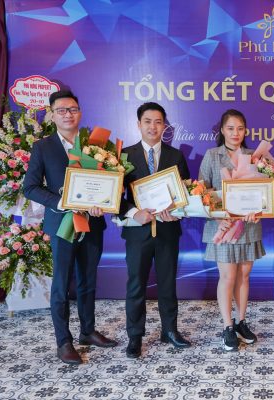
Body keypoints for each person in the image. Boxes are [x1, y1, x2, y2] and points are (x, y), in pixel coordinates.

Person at [23, 89, 117, 365]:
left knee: (88, 280)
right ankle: (63, 341)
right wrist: (61, 202)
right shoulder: (43, 147)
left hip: (92, 222)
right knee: (62, 284)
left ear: (80, 112)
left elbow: (108, 181)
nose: (68, 114)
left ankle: (87, 331)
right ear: (52, 115)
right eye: (61, 110)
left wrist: (104, 202)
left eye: (73, 109)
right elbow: (30, 187)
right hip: (62, 223)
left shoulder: (95, 144)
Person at [119, 102, 192, 358]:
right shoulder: (124, 156)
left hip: (167, 231)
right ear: (138, 124)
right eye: (148, 121)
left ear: (165, 126)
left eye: (158, 122)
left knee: (167, 283)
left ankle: (169, 330)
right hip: (137, 232)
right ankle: (134, 336)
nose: (153, 127)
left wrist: (177, 210)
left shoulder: (175, 156)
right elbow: (115, 198)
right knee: (135, 285)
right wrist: (133, 213)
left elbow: (186, 194)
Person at [198, 109, 263, 351]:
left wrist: (259, 210)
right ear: (222, 130)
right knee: (228, 277)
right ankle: (227, 326)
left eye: (240, 128)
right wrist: (218, 219)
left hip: (248, 226)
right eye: (231, 128)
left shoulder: (254, 156)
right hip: (223, 228)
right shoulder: (212, 155)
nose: (236, 133)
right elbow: (201, 192)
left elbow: (264, 192)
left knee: (244, 276)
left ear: (246, 131)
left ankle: (241, 322)